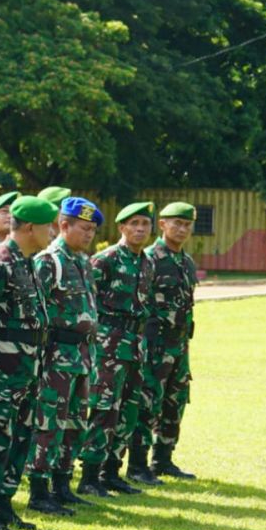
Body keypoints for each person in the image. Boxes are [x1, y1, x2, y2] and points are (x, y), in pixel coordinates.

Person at [0, 196, 56, 530]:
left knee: (17, 439)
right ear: (31, 227)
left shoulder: (28, 262)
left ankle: (3, 504)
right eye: (48, 226)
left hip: (25, 373)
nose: (52, 232)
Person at [25, 197, 101, 516]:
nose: (89, 235)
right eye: (83, 228)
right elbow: (33, 310)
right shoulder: (48, 261)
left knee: (74, 422)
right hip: (55, 356)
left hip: (82, 355)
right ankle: (39, 490)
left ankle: (62, 484)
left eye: (93, 230)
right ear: (64, 225)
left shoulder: (82, 261)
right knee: (49, 423)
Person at [76, 202, 155, 497]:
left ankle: (112, 471)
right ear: (121, 227)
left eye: (145, 224)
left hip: (135, 346)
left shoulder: (147, 263)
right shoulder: (104, 260)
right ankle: (89, 475)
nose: (139, 229)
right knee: (104, 410)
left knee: (129, 411)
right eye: (133, 223)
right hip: (108, 347)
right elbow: (88, 302)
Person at [139, 202, 199, 480]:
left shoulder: (187, 263)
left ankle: (163, 460)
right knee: (148, 403)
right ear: (162, 224)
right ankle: (138, 464)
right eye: (177, 223)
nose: (182, 229)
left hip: (179, 346)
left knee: (175, 402)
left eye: (187, 224)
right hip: (154, 345)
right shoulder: (149, 258)